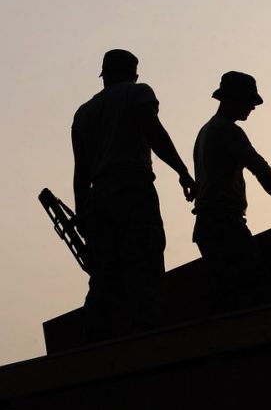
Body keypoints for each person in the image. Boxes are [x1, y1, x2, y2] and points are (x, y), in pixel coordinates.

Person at [71, 49, 196, 340]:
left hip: (97, 198)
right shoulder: (138, 93)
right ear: (133, 73)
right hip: (132, 190)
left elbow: (81, 171)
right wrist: (182, 170)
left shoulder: (83, 113)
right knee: (144, 259)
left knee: (104, 274)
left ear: (104, 76)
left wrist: (81, 213)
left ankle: (98, 337)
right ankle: (148, 336)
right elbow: (154, 132)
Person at [192, 71, 271, 312]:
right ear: (233, 99)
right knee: (256, 288)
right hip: (224, 224)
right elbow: (260, 169)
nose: (252, 107)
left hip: (208, 226)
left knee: (227, 296)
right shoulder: (227, 131)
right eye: (248, 101)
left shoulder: (205, 131)